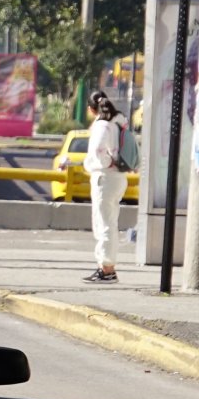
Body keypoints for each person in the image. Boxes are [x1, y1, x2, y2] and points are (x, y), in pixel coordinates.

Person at [82, 94, 130, 283]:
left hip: (105, 178)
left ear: (91, 109)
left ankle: (106, 269)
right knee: (110, 222)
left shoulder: (102, 126)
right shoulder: (119, 123)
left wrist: (102, 163)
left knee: (103, 224)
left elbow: (98, 153)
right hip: (118, 177)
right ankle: (108, 267)